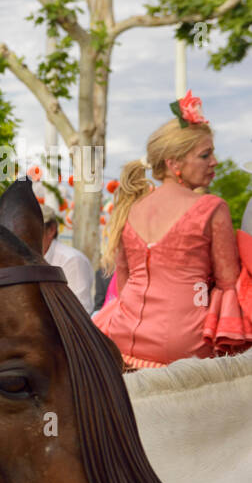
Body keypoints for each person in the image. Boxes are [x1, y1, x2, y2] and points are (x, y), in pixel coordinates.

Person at [92, 97, 249, 368]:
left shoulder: (131, 208)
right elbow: (228, 284)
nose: (214, 162)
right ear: (174, 163)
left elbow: (124, 283)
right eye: (205, 155)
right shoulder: (211, 207)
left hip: (120, 333)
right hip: (183, 345)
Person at [40, 202, 94, 312]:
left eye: (32, 228)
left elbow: (81, 311)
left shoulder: (72, 260)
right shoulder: (24, 260)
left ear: (51, 230)